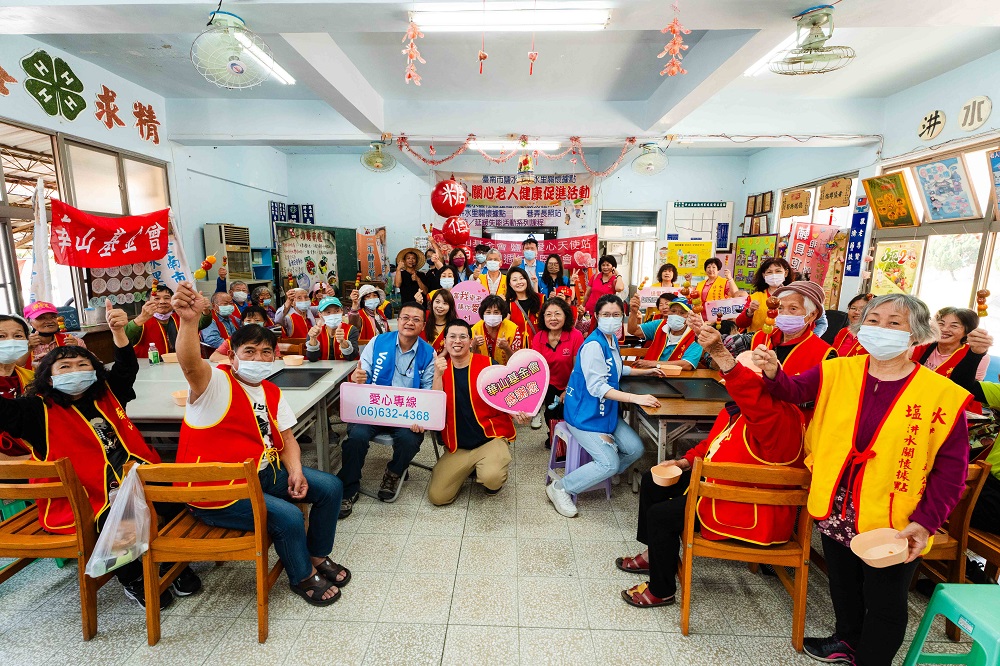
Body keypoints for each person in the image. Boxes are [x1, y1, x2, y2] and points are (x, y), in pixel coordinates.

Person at [756, 293, 971, 666]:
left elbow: (951, 471)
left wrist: (925, 522)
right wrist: (774, 372)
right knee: (843, 584)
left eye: (894, 323)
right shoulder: (838, 370)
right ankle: (848, 640)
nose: (881, 329)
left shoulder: (941, 395)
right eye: (873, 320)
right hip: (836, 503)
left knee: (885, 598)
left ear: (916, 334)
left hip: (894, 514)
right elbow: (793, 391)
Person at [0, 301, 200, 608]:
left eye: (84, 365)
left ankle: (172, 564)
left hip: (132, 474)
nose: (76, 371)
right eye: (64, 367)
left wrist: (118, 331)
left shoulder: (106, 394)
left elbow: (126, 368)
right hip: (84, 494)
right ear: (48, 377)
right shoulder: (34, 411)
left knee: (170, 494)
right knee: (118, 516)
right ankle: (132, 578)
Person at [170, 282, 349, 607]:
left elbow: (288, 438)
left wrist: (295, 470)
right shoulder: (215, 383)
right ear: (232, 356)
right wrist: (188, 321)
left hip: (263, 475)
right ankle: (302, 576)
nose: (259, 358)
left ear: (275, 356)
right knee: (290, 518)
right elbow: (190, 364)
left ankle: (317, 555)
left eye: (266, 351)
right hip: (219, 492)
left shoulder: (270, 390)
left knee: (330, 487)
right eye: (249, 352)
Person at [617, 320, 806, 608]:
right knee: (652, 482)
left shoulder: (778, 417)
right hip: (719, 489)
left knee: (661, 515)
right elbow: (711, 444)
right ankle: (653, 554)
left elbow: (748, 392)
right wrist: (683, 461)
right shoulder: (739, 409)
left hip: (746, 505)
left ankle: (662, 590)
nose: (733, 389)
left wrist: (720, 351)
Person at [546, 294, 664, 518]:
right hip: (585, 415)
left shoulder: (610, 340)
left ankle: (602, 471)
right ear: (596, 316)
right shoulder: (593, 345)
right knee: (609, 464)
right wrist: (637, 398)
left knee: (635, 449)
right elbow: (597, 387)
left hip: (604, 412)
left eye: (616, 315)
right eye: (606, 315)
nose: (611, 318)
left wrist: (644, 371)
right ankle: (560, 488)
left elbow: (615, 370)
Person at [338, 302, 435, 518]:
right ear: (398, 320)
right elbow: (362, 373)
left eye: (416, 319)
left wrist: (424, 416)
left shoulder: (428, 353)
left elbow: (429, 391)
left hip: (407, 413)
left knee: (410, 439)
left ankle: (395, 472)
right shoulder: (378, 342)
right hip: (374, 407)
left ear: (423, 325)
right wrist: (358, 379)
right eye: (405, 317)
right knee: (356, 437)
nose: (410, 322)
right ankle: (349, 487)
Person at [428, 319, 527, 505]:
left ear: (470, 341)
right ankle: (471, 467)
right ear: (445, 341)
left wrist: (518, 412)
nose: (457, 341)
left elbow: (507, 394)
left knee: (492, 477)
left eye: (463, 337)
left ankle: (489, 470)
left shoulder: (488, 364)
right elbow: (435, 407)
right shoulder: (439, 369)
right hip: (458, 446)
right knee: (438, 497)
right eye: (452, 337)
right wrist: (437, 375)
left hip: (490, 438)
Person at [947, 328, 1000, 539]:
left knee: (933, 499)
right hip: (990, 484)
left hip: (990, 495)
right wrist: (975, 353)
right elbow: (961, 384)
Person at [749, 281, 835, 378]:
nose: (784, 313)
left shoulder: (824, 354)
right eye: (780, 308)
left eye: (793, 308)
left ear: (812, 315)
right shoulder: (761, 337)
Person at [530, 298, 584, 434]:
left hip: (572, 383)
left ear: (565, 315)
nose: (553, 318)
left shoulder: (575, 336)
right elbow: (537, 368)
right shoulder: (538, 338)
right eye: (548, 314)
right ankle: (555, 439)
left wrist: (567, 390)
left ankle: (572, 442)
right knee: (550, 414)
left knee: (570, 415)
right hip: (549, 384)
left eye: (557, 314)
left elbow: (577, 369)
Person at [127, 286, 211, 358]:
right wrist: (141, 318)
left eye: (167, 298)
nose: (162, 302)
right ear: (147, 303)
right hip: (151, 370)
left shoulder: (182, 316)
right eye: (157, 298)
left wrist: (205, 310)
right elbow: (123, 337)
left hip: (183, 366)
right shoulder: (141, 322)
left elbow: (203, 323)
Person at [912, 306, 989, 383]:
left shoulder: (977, 356)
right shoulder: (920, 345)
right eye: (941, 323)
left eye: (954, 326)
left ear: (967, 332)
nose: (944, 329)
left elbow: (971, 388)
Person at [627, 294, 702, 370]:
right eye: (673, 311)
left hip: (676, 378)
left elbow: (687, 364)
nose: (676, 315)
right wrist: (633, 312)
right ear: (668, 312)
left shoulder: (696, 335)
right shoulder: (659, 324)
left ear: (690, 316)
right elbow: (633, 330)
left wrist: (653, 364)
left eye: (682, 313)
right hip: (648, 375)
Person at [0, 314, 33, 458]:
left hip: (35, 460)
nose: (10, 341)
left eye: (18, 336)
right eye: (1, 336)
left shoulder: (32, 379)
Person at [734, 257, 793, 333]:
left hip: (784, 341)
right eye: (769, 272)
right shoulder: (755, 297)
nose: (774, 275)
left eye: (778, 271)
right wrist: (750, 312)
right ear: (764, 275)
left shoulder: (793, 296)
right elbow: (740, 323)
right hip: (758, 341)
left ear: (786, 273)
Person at [24, 300, 84, 367]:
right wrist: (27, 349)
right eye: (41, 318)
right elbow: (15, 370)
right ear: (28, 322)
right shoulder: (23, 345)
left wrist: (77, 349)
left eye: (53, 317)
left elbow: (92, 362)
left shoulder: (73, 341)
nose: (49, 321)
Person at [210, 305, 279, 363]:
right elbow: (214, 357)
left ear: (264, 323)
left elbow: (277, 359)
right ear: (243, 322)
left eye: (257, 320)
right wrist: (242, 361)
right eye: (248, 320)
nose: (252, 323)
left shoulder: (269, 339)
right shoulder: (234, 338)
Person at [471, 295, 522, 365]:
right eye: (488, 312)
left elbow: (517, 360)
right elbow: (471, 359)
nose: (492, 316)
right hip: (483, 370)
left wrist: (507, 348)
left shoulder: (513, 329)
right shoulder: (474, 329)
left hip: (506, 371)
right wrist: (474, 345)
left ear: (502, 314)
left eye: (496, 312)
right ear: (483, 313)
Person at [305, 297, 359, 361]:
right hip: (323, 369)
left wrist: (343, 342)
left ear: (342, 311)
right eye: (328, 312)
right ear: (320, 315)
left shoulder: (351, 329)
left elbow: (352, 357)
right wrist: (313, 339)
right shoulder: (315, 331)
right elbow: (312, 358)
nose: (333, 315)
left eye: (337, 311)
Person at [506, 267, 542, 349]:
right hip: (517, 350)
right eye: (514, 280)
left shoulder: (541, 299)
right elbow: (505, 326)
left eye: (521, 278)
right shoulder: (508, 303)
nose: (519, 282)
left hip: (539, 348)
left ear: (527, 280)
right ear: (510, 284)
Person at [582, 256, 625, 322]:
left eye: (608, 265)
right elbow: (587, 294)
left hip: (605, 313)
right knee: (588, 330)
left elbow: (619, 288)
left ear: (613, 266)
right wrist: (582, 306)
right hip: (590, 311)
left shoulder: (615, 279)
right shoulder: (595, 277)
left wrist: (618, 274)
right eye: (603, 265)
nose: (605, 267)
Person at [421, 289, 457, 353]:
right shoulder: (422, 316)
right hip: (420, 360)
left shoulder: (454, 325)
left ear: (450, 307)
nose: (440, 306)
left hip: (444, 361)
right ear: (432, 303)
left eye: (445, 303)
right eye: (437, 302)